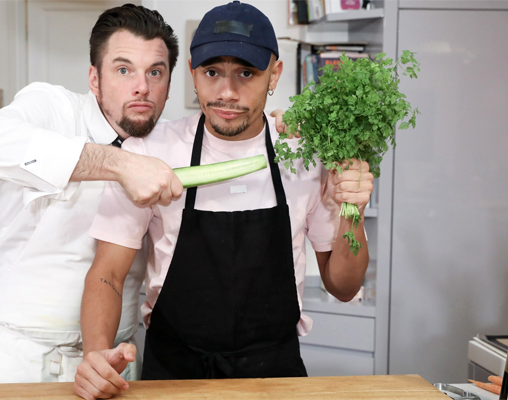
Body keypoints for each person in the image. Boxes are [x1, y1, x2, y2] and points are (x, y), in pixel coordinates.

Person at [74, 1, 374, 399]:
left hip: (276, 379)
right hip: (173, 376)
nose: (227, 92)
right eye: (213, 73)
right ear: (194, 74)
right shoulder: (149, 153)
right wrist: (96, 354)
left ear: (274, 74)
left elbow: (342, 286)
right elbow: (107, 273)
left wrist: (353, 210)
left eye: (246, 73)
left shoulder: (305, 155)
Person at [0, 4, 183, 383]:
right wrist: (119, 164)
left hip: (117, 358)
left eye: (155, 72)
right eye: (123, 69)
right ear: (94, 78)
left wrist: (281, 128)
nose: (141, 86)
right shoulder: (53, 108)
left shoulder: (170, 145)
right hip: (16, 357)